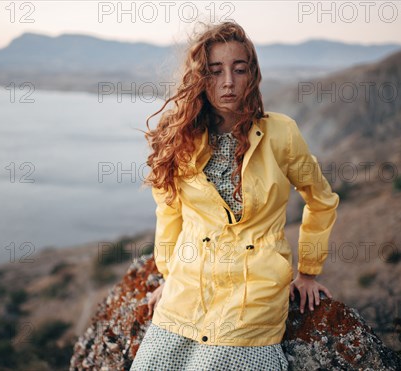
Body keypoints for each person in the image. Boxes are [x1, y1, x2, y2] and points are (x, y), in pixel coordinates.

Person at [133, 21, 339, 370]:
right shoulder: (181, 138)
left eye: (238, 69)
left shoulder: (281, 133)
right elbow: (169, 215)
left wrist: (308, 273)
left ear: (252, 75)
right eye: (215, 72)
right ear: (200, 79)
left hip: (252, 300)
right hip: (186, 297)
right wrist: (169, 278)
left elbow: (321, 200)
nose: (228, 81)